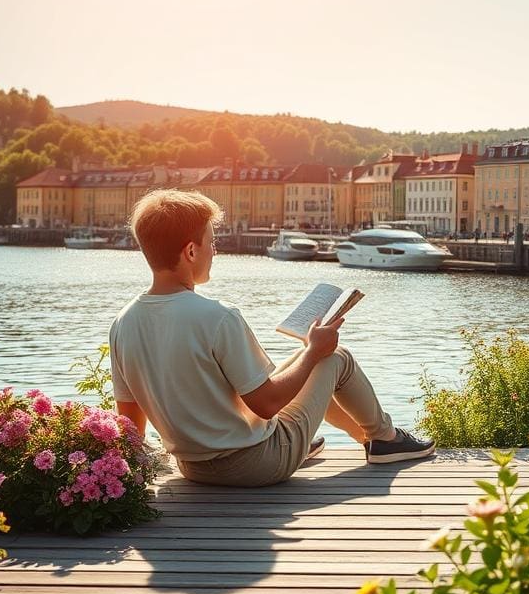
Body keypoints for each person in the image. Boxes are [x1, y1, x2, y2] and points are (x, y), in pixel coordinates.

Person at [109, 190, 434, 488]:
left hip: (192, 468)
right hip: (256, 465)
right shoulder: (218, 316)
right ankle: (384, 438)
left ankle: (367, 439)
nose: (215, 250)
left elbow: (129, 421)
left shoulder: (123, 322)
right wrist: (314, 352)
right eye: (211, 241)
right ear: (191, 251)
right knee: (336, 357)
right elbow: (266, 405)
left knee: (306, 357)